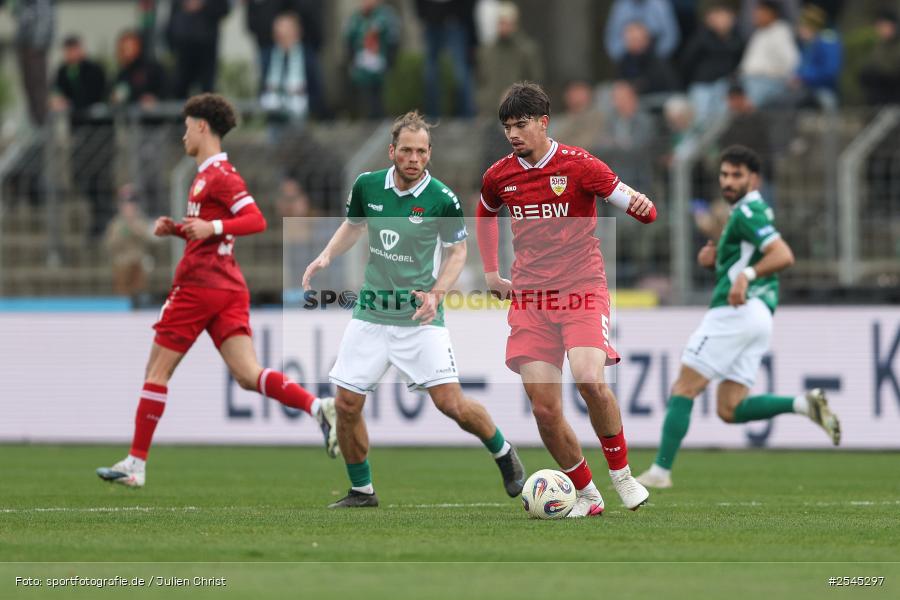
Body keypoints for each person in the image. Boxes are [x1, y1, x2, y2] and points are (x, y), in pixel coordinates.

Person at [96, 94, 337, 488]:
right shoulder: (205, 175)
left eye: (186, 128)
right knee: (247, 375)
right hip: (227, 285)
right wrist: (179, 229)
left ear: (202, 127)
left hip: (199, 285)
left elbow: (255, 220)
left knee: (157, 371)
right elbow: (211, 231)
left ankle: (135, 464)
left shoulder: (221, 175)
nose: (183, 136)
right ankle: (317, 407)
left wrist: (212, 227)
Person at [303, 111, 526, 508]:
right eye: (406, 150)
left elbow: (458, 252)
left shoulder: (442, 198)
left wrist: (437, 294)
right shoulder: (367, 185)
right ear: (392, 151)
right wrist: (326, 255)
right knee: (347, 404)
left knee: (451, 404)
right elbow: (354, 225)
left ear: (429, 154)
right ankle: (362, 490)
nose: (414, 158)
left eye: (421, 152)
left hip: (420, 317)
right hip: (371, 313)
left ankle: (503, 451)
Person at [477, 82, 656, 516]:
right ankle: (588, 494)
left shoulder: (579, 165)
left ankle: (622, 477)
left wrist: (640, 205)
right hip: (530, 300)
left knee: (590, 380)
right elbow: (485, 212)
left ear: (544, 122)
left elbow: (639, 208)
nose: (513, 134)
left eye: (521, 124)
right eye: (507, 127)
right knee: (544, 409)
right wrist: (491, 272)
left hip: (581, 289)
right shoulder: (499, 175)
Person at [636, 145, 841, 490]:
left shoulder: (747, 212)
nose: (728, 181)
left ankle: (660, 472)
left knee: (684, 387)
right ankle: (803, 404)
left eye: (737, 175)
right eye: (724, 174)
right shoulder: (749, 212)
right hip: (758, 316)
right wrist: (717, 259)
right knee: (730, 408)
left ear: (754, 179)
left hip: (735, 312)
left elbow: (783, 254)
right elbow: (748, 254)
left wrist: (745, 275)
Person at [51, 34, 113, 238]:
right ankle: (98, 217)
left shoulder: (94, 70)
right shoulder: (63, 71)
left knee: (100, 177)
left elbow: (93, 96)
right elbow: (56, 91)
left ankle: (103, 218)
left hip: (99, 133)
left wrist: (71, 103)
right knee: (80, 175)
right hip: (78, 132)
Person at [476, 1, 543, 117]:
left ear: (515, 24)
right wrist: (483, 101)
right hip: (489, 112)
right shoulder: (486, 51)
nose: (503, 27)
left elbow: (536, 82)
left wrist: (517, 95)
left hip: (519, 112)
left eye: (507, 23)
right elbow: (480, 80)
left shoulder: (527, 50)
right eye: (501, 22)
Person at [680, 3, 744, 122]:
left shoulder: (736, 39)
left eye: (727, 17)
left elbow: (737, 61)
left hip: (724, 84)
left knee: (722, 120)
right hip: (702, 84)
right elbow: (687, 61)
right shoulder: (700, 37)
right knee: (700, 119)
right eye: (719, 17)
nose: (723, 21)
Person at [343, 0, 400, 119]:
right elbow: (348, 39)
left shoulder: (385, 16)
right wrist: (351, 58)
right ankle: (365, 118)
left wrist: (391, 59)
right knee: (364, 95)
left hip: (380, 64)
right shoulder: (355, 18)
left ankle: (381, 118)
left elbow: (393, 38)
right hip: (362, 65)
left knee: (380, 95)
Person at [739, 0, 800, 108]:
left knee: (746, 105)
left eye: (760, 13)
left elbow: (792, 62)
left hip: (766, 82)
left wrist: (768, 73)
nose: (756, 16)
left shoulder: (780, 32)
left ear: (772, 14)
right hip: (747, 79)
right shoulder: (759, 32)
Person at [166, 0, 231, 98]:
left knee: (207, 89)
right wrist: (172, 42)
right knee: (179, 87)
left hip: (206, 47)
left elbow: (224, 9)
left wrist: (203, 5)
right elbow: (173, 16)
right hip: (183, 47)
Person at [792, 3, 842, 109]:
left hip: (823, 90)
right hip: (804, 89)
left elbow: (830, 70)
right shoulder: (807, 44)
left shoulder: (827, 41)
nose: (799, 30)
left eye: (802, 26)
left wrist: (804, 77)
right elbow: (800, 66)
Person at [859, 9, 900, 106]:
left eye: (883, 26)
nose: (879, 30)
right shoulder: (879, 45)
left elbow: (892, 70)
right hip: (882, 94)